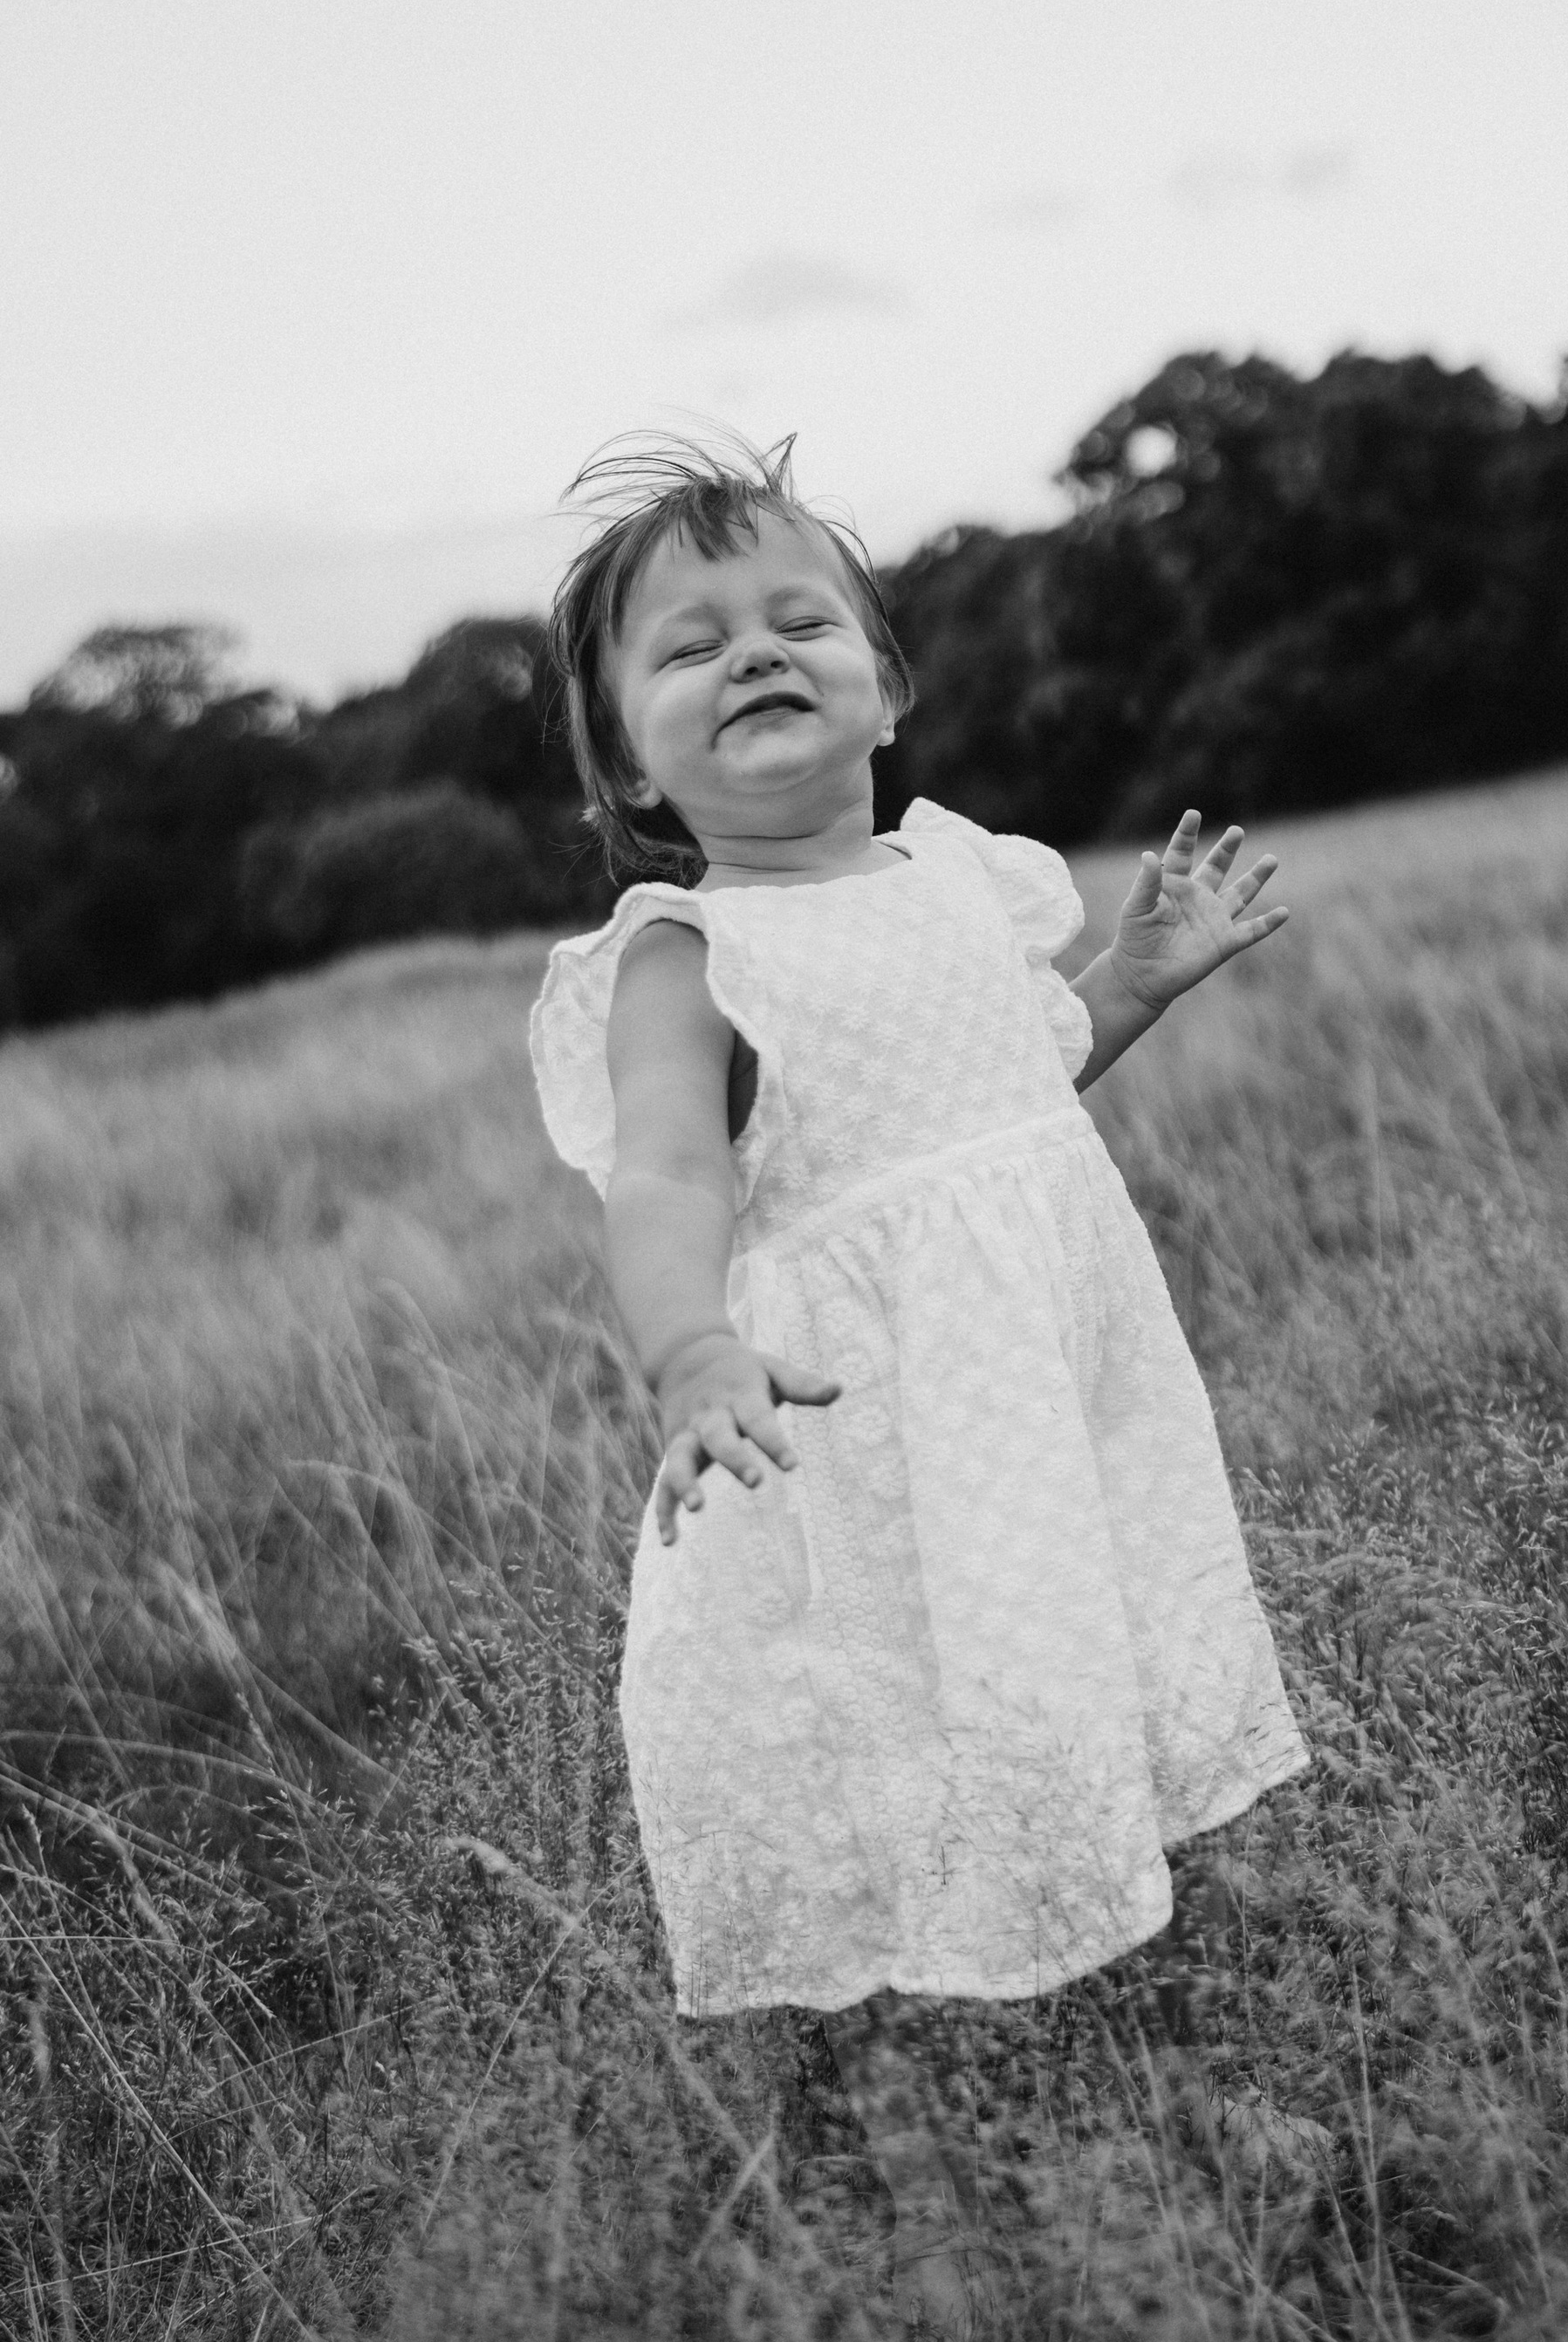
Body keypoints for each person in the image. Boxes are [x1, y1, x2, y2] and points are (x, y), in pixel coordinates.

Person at [527, 435, 1310, 2326]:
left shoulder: (965, 876)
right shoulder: (686, 955)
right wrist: (691, 1342)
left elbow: (1013, 1092)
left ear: (889, 681)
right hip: (860, 1433)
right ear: (633, 760)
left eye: (800, 617)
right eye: (691, 644)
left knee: (1069, 1685)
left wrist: (1133, 977)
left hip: (1043, 1400)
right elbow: (665, 1174)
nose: (757, 651)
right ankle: (919, 2127)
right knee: (904, 1731)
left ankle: (1129, 2044)